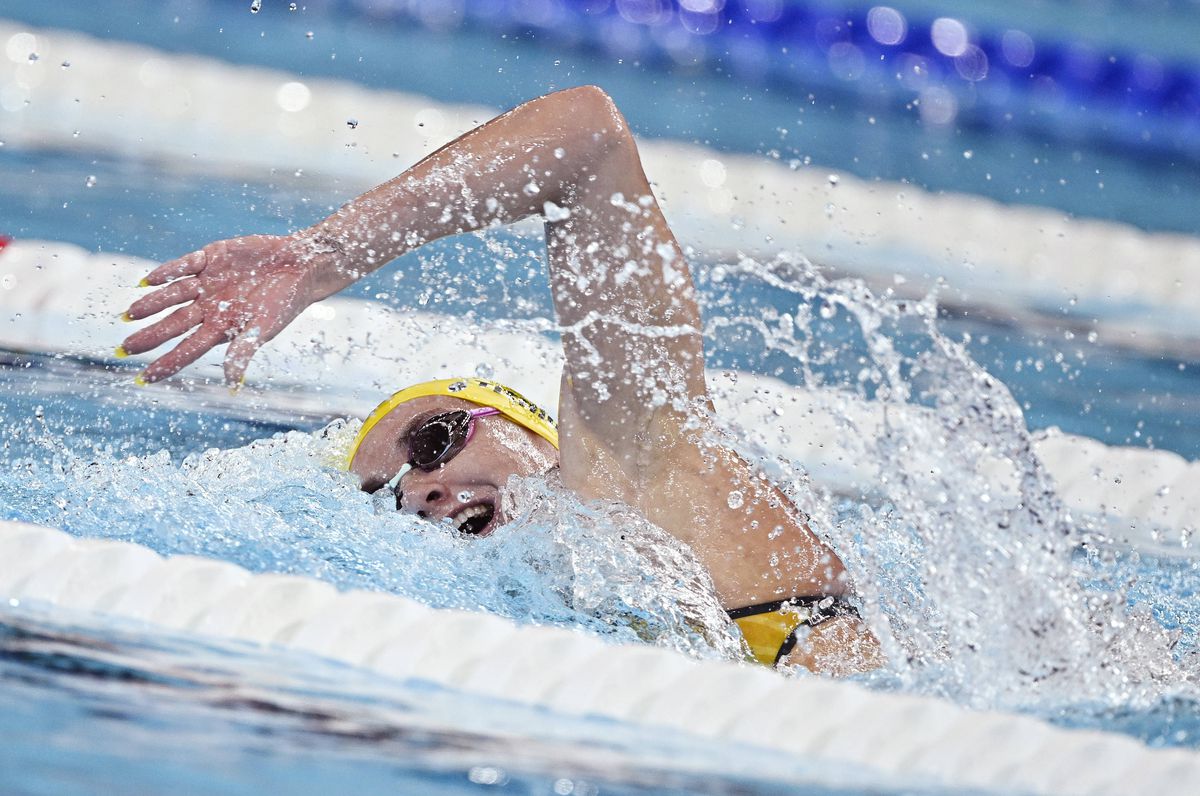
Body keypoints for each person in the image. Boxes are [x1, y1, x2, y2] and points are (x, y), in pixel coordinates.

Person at [117, 86, 882, 673]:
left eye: (433, 440)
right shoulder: (560, 606)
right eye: (388, 495)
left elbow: (587, 138)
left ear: (522, 428)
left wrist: (323, 256)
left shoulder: (639, 463)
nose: (419, 491)